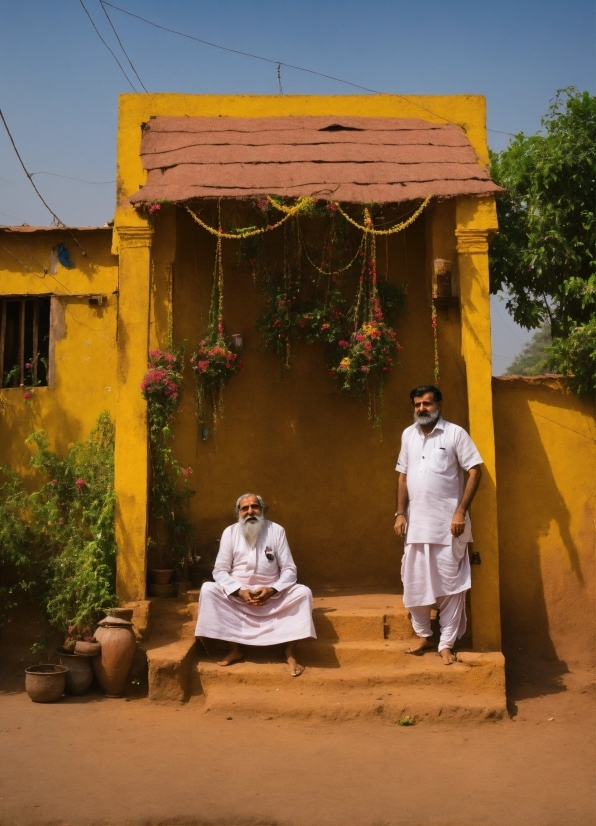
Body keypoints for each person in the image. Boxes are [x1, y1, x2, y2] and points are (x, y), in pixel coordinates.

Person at [394, 385, 483, 664]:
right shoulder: (408, 435)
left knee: (451, 585)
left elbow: (474, 470)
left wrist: (460, 512)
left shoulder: (455, 433)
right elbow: (402, 477)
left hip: (449, 526)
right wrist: (399, 513)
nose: (422, 408)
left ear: (439, 405)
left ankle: (446, 643)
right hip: (417, 526)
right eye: (417, 404)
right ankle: (424, 634)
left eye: (427, 404)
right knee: (414, 582)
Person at [195, 493, 316, 676]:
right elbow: (219, 570)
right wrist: (239, 591)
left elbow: (290, 570)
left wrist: (272, 590)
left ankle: (290, 652)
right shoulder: (230, 532)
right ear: (239, 513)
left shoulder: (277, 530)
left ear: (262, 510)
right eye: (245, 508)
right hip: (238, 596)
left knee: (303, 594)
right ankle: (235, 649)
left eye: (254, 507)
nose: (250, 511)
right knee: (208, 590)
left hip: (272, 597)